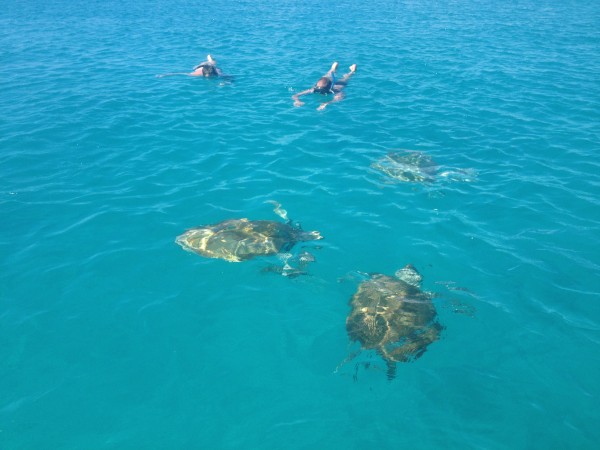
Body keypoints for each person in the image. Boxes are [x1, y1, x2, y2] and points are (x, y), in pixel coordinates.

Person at [292, 62, 357, 110]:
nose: (320, 91)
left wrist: (326, 103)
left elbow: (339, 98)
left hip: (337, 84)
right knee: (330, 73)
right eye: (319, 89)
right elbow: (295, 95)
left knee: (345, 78)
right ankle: (334, 68)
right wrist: (297, 100)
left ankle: (352, 71)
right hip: (326, 80)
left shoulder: (335, 90)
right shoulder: (314, 89)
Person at [157, 54, 224, 78]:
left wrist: (226, 83)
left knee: (213, 63)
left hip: (211, 68)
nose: (209, 78)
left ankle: (210, 61)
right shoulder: (197, 74)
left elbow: (229, 78)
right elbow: (179, 73)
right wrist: (165, 75)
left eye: (210, 76)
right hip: (201, 67)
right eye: (207, 77)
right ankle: (209, 60)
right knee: (202, 65)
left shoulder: (217, 73)